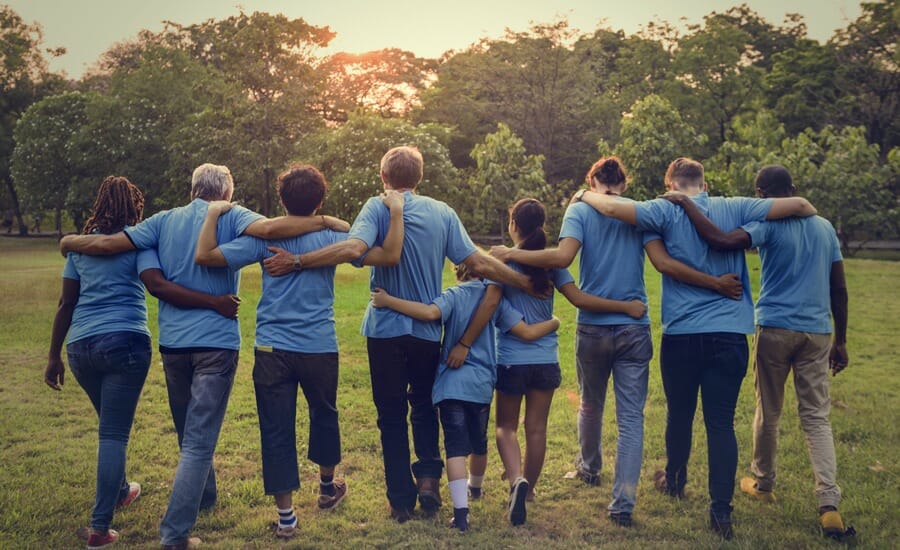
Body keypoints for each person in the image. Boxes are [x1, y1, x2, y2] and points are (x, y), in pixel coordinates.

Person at [60, 164, 347, 550]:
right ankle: (175, 535)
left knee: (187, 435)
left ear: (193, 189)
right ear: (226, 192)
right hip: (216, 342)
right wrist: (325, 220)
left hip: (174, 345)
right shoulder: (233, 214)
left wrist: (70, 242)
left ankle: (206, 495)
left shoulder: (162, 221)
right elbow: (271, 230)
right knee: (198, 443)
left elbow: (109, 246)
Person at [263, 146, 534, 523]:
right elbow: (477, 261)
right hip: (426, 328)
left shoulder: (377, 207)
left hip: (385, 329)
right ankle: (427, 480)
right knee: (424, 405)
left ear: (384, 177)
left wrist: (296, 261)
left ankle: (400, 501)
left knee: (390, 415)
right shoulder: (443, 213)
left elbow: (353, 248)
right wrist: (523, 281)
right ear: (419, 178)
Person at [489, 158, 743, 527]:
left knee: (590, 405)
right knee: (630, 419)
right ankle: (623, 503)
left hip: (592, 326)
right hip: (633, 327)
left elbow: (562, 258)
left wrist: (509, 254)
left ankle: (589, 467)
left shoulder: (579, 211)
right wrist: (715, 282)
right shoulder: (638, 214)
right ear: (624, 184)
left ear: (590, 180)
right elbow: (661, 262)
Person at [577, 157, 817, 539]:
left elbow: (610, 206)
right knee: (720, 423)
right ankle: (721, 511)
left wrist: (582, 194)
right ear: (703, 184)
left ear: (670, 184)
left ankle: (675, 479)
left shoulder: (663, 210)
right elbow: (803, 205)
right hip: (730, 334)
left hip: (683, 333)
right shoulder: (735, 206)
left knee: (679, 413)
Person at [193, 164, 405, 539]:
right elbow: (380, 253)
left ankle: (287, 517)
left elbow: (208, 256)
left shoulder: (265, 238)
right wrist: (338, 223)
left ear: (281, 199)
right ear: (320, 199)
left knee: (276, 427)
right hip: (319, 345)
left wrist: (212, 219)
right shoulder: (332, 236)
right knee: (324, 414)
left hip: (272, 347)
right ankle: (326, 488)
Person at [45, 176, 241, 550]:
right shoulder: (141, 239)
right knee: (113, 434)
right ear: (134, 206)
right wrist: (213, 301)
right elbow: (156, 283)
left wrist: (54, 355)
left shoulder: (81, 248)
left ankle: (120, 490)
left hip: (81, 346)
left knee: (109, 425)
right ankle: (99, 528)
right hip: (125, 343)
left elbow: (65, 303)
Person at [660, 165, 852, 540]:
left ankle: (763, 483)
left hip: (775, 327)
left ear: (761, 194)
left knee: (769, 409)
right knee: (816, 417)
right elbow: (839, 288)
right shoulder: (824, 227)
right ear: (793, 188)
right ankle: (828, 503)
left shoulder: (768, 226)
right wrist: (841, 340)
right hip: (818, 332)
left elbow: (721, 240)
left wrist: (684, 202)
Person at [370, 263, 561, 532]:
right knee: (479, 444)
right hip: (481, 387)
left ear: (460, 271)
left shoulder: (453, 295)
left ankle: (461, 514)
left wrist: (388, 300)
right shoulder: (495, 300)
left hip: (450, 386)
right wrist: (554, 322)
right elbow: (526, 332)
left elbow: (428, 312)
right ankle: (476, 487)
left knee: (455, 448)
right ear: (487, 273)